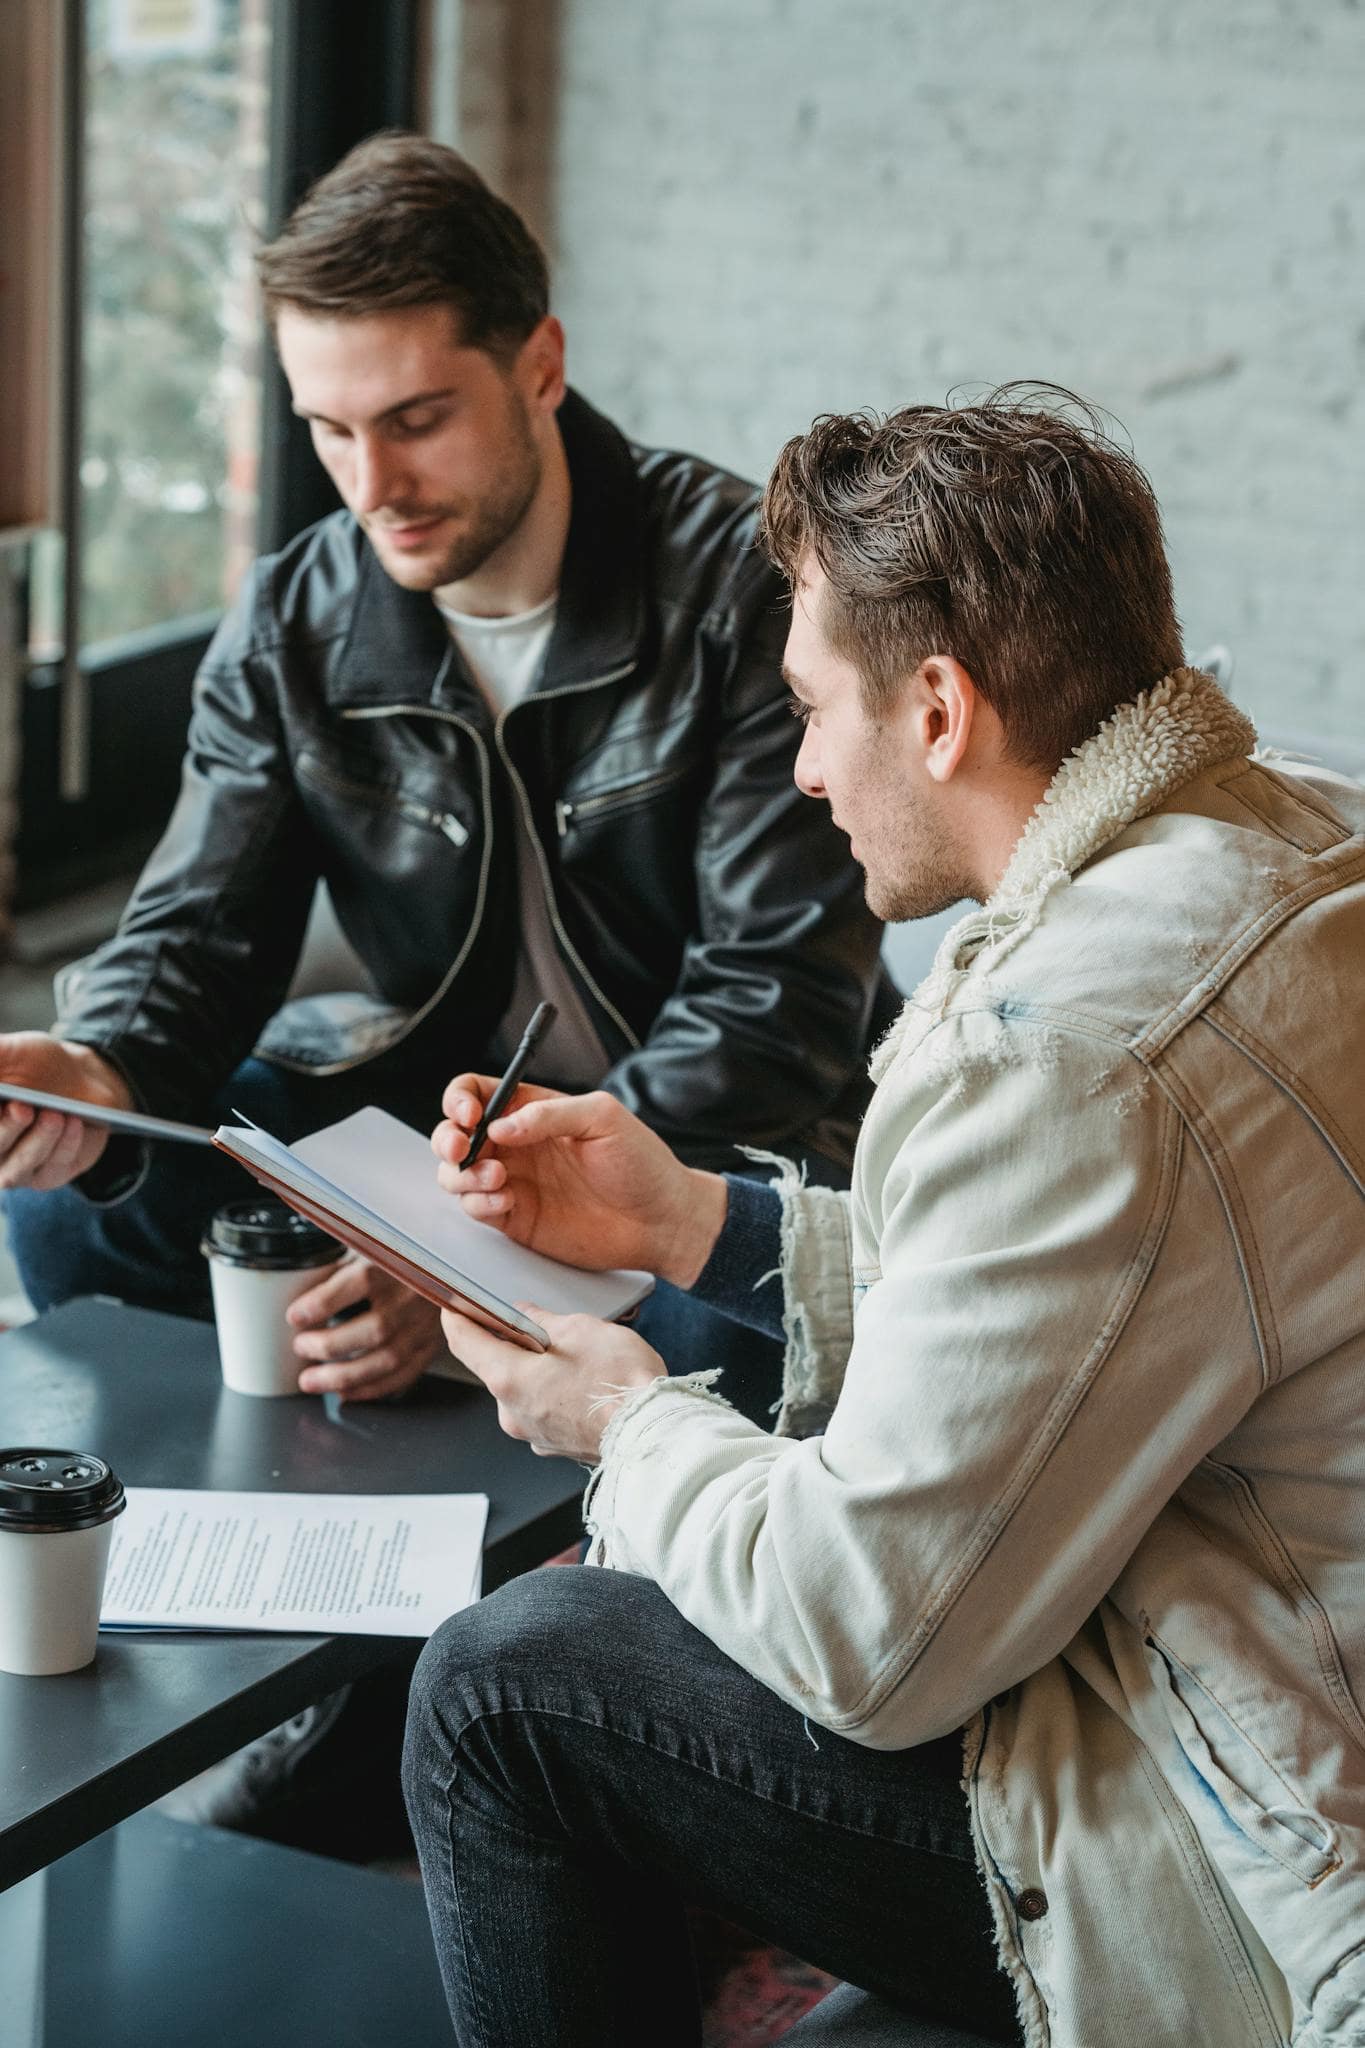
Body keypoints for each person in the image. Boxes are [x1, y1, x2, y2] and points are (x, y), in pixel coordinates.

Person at [403, 386, 1365, 2046]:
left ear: (936, 709)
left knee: (510, 1682)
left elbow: (871, 1634)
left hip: (1261, 1837)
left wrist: (627, 1426)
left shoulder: (1071, 1049)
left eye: (807, 705)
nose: (796, 765)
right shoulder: (1294, 833)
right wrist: (696, 1219)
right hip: (1273, 1646)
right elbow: (1094, 1296)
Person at [0, 131, 891, 1410]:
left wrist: (469, 1256)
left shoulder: (746, 593)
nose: (376, 487)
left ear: (541, 364)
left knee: (775, 1320)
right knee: (74, 1214)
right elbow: (198, 928)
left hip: (709, 1136)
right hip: (442, 1103)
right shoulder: (299, 618)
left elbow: (769, 1013)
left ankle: (502, 1368)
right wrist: (96, 1069)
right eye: (331, 431)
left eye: (418, 421)